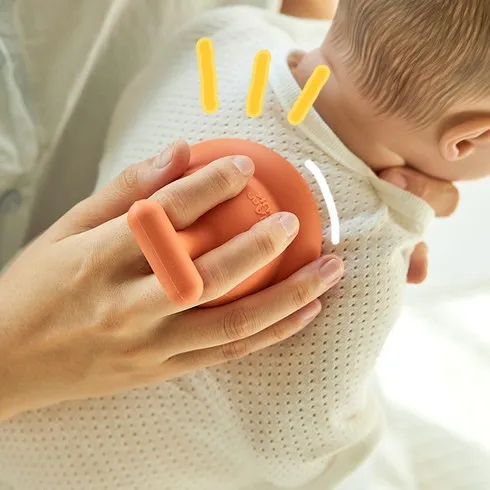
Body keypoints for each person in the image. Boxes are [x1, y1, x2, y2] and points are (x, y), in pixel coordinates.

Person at [0, 1, 459, 489]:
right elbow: (303, 444)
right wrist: (365, 434)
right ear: (469, 139)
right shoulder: (368, 252)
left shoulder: (221, 35)